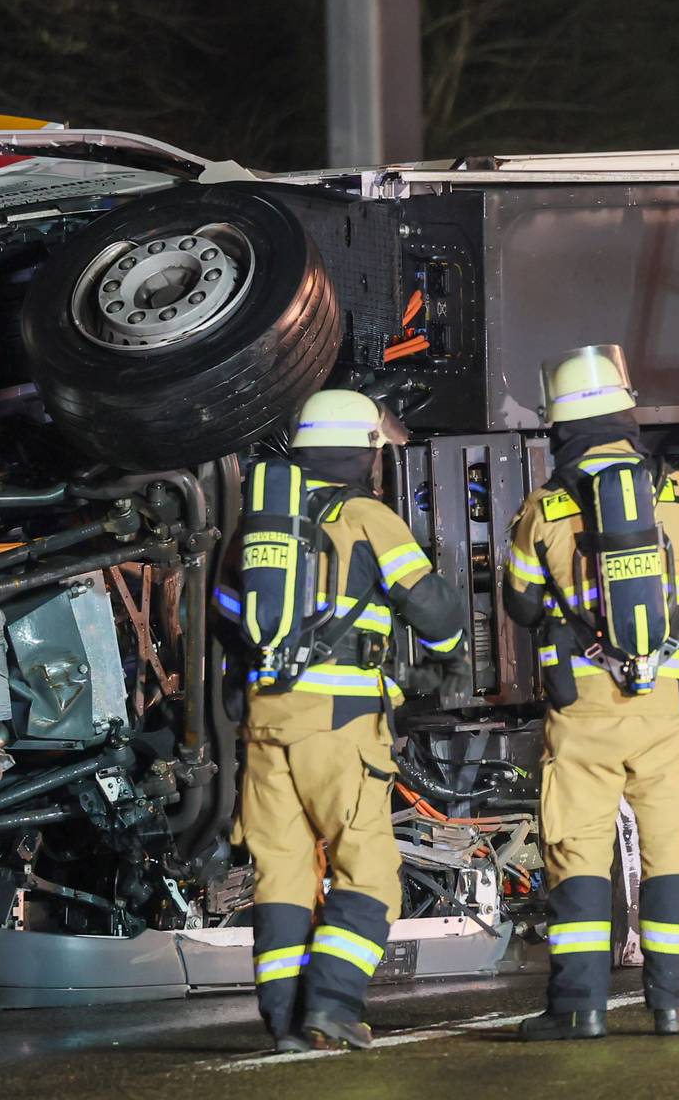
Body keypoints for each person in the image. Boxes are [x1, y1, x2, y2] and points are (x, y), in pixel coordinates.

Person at [502, 344, 679, 1041]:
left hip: (583, 705)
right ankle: (675, 1005)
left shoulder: (544, 508)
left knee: (578, 850)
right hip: (668, 704)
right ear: (627, 414)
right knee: (670, 847)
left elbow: (520, 605)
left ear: (558, 425)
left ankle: (579, 1009)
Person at [220, 389, 467, 1051]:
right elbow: (434, 609)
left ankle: (284, 1021)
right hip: (340, 726)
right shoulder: (364, 515)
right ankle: (331, 1004)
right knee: (370, 873)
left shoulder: (260, 523)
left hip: (266, 724)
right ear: (362, 449)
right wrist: (445, 658)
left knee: (282, 876)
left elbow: (224, 609)